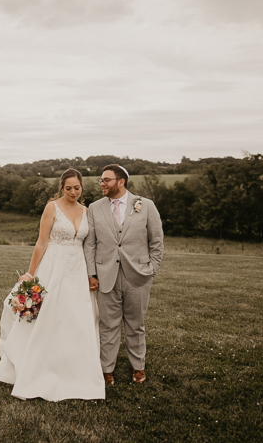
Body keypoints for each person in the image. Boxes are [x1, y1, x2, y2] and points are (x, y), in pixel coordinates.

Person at [0, 168, 104, 401]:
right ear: (61, 187)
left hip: (76, 270)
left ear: (82, 187)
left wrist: (91, 274)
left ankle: (75, 368)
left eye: (77, 188)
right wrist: (30, 273)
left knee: (76, 317)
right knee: (48, 316)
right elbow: (42, 242)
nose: (73, 192)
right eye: (68, 188)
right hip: (53, 267)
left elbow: (88, 246)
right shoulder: (51, 207)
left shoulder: (86, 211)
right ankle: (37, 367)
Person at [84, 164, 164, 386]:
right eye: (101, 179)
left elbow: (157, 242)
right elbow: (90, 245)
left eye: (106, 180)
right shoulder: (95, 207)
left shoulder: (146, 206)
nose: (102, 183)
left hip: (138, 276)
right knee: (107, 325)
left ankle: (138, 367)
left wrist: (151, 270)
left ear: (121, 182)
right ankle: (106, 370)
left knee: (135, 324)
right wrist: (91, 273)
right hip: (105, 275)